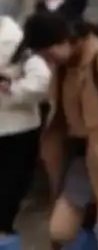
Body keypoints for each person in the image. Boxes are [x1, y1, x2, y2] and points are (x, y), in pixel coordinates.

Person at [22, 12, 98, 248]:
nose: (48, 61)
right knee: (60, 229)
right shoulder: (63, 66)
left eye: (48, 54)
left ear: (63, 40)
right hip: (79, 158)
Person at [0, 16, 51, 237]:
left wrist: (13, 90)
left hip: (19, 130)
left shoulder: (18, 44)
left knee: (9, 193)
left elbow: (42, 81)